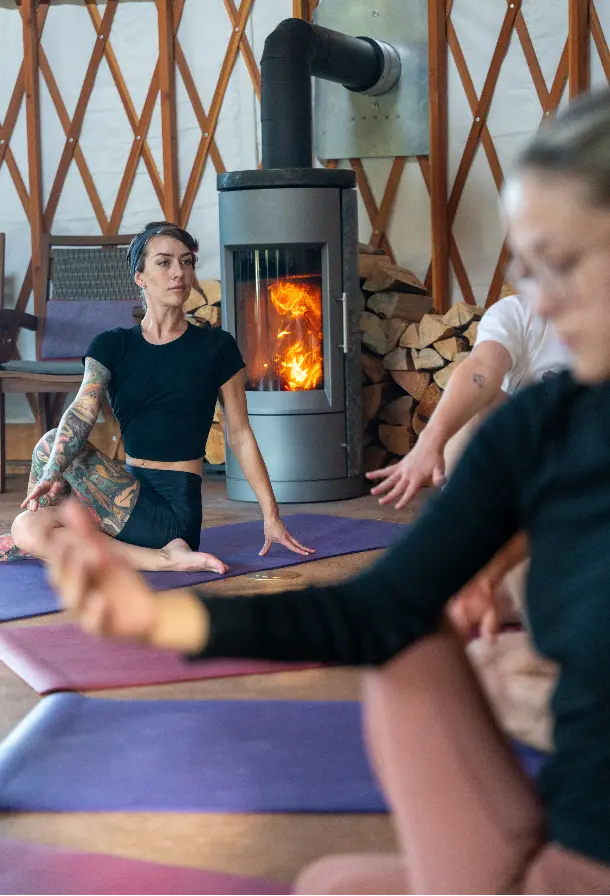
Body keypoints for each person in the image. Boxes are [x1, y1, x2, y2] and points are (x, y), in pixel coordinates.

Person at [44, 90, 610, 894]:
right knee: (334, 880)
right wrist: (157, 615)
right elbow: (379, 608)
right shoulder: (547, 422)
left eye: (563, 262)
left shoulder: (211, 347)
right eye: (526, 266)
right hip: (569, 836)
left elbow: (238, 434)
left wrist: (543, 701)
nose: (541, 300)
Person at [1, 221, 312, 571]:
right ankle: (161, 557)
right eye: (164, 263)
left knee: (37, 495)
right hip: (123, 491)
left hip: (171, 511)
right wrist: (51, 474)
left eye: (186, 262)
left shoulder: (216, 347)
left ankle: (163, 556)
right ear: (140, 276)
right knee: (29, 520)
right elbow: (82, 411)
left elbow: (239, 435)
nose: (178, 273)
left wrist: (271, 516)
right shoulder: (112, 344)